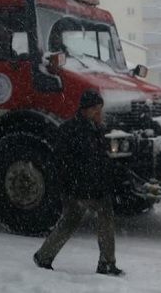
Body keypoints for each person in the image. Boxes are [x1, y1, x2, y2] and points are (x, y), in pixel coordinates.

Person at [33, 90, 123, 276]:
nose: (99, 113)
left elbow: (101, 159)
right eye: (95, 109)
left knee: (97, 217)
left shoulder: (98, 130)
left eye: (100, 109)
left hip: (95, 185)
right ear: (84, 109)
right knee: (73, 221)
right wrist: (72, 184)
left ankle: (45, 256)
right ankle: (105, 263)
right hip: (78, 186)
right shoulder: (70, 130)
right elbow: (61, 162)